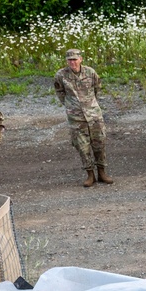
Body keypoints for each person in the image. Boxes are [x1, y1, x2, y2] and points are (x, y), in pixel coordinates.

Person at [54, 49, 113, 188]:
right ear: (66, 61)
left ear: (81, 59)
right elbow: (59, 92)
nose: (72, 62)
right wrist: (70, 105)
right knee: (82, 147)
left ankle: (102, 172)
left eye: (75, 59)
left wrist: (90, 104)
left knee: (99, 143)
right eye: (70, 60)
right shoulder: (61, 75)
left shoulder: (90, 72)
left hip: (94, 115)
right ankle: (90, 174)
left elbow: (97, 88)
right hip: (76, 117)